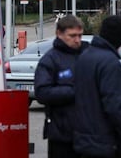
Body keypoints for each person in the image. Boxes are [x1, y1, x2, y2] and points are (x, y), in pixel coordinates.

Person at [74, 16, 121, 158]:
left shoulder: (84, 57)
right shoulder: (110, 63)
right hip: (104, 142)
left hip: (82, 141)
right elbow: (117, 105)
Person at [34, 15, 89, 158]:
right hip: (62, 135)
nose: (77, 40)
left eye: (80, 35)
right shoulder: (50, 60)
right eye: (72, 36)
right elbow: (42, 92)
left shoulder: (87, 55)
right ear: (59, 34)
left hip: (89, 134)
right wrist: (75, 91)